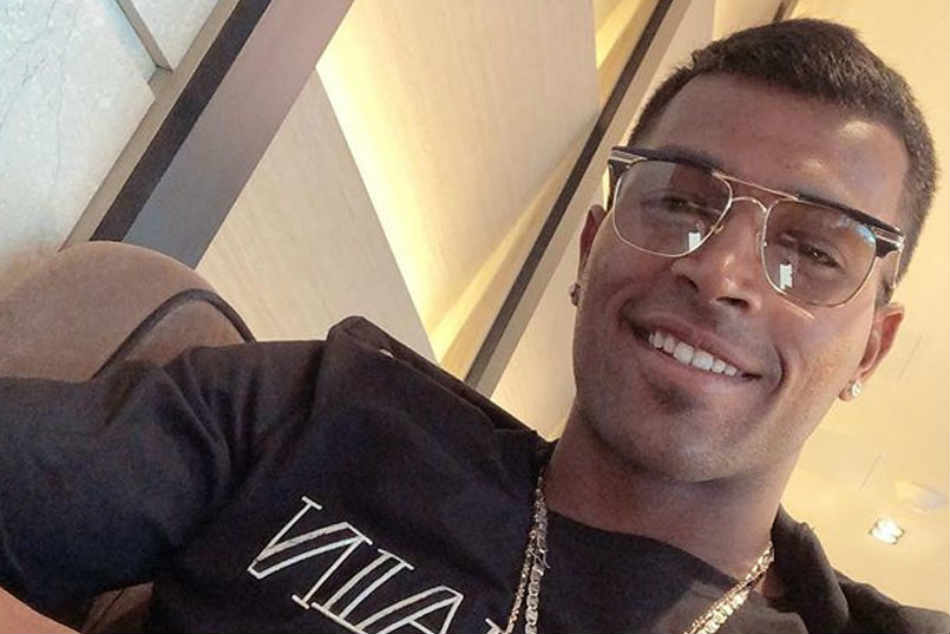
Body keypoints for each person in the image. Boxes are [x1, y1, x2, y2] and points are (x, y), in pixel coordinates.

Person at [0, 18, 946, 634]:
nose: (720, 270)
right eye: (679, 202)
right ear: (590, 250)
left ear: (870, 347)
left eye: (813, 251)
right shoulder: (323, 413)